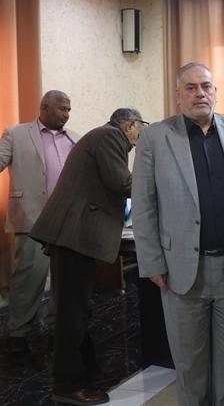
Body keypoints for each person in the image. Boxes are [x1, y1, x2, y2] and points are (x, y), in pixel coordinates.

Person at [132, 63, 224, 406]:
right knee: (190, 359)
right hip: (181, 270)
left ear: (215, 91)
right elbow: (144, 205)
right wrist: (152, 263)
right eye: (191, 88)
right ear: (178, 95)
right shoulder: (155, 138)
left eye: (206, 86)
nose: (200, 94)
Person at [30, 108, 147, 405]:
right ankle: (67, 385)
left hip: (76, 234)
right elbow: (123, 184)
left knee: (79, 309)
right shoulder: (109, 136)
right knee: (71, 313)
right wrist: (152, 163)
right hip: (74, 235)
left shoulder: (104, 136)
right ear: (129, 124)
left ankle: (88, 369)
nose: (142, 133)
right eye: (141, 127)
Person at [0, 90, 78, 355]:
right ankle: (18, 333)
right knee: (28, 276)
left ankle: (57, 331)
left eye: (69, 110)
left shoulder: (75, 139)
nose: (67, 114)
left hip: (66, 220)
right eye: (62, 109)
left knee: (64, 279)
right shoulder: (16, 134)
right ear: (44, 107)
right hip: (32, 217)